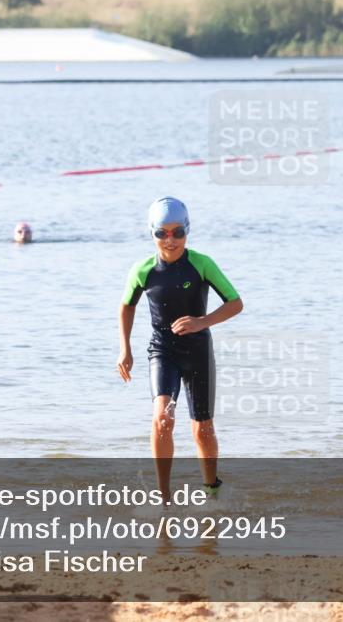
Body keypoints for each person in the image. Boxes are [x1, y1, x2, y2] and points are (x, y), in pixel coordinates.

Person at [118, 197, 243, 501]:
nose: (170, 240)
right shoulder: (143, 270)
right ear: (152, 233)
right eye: (162, 233)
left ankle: (212, 488)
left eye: (177, 232)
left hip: (198, 351)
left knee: (202, 428)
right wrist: (125, 350)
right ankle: (163, 497)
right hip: (162, 350)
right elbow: (126, 307)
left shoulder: (201, 264)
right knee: (163, 418)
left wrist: (203, 321)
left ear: (187, 231)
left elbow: (235, 303)